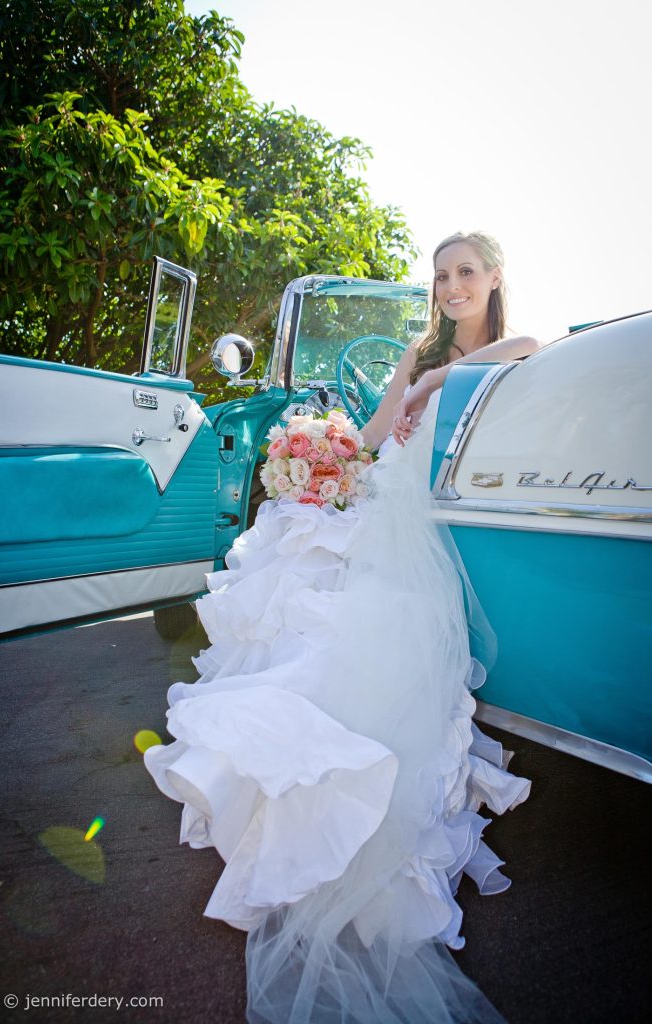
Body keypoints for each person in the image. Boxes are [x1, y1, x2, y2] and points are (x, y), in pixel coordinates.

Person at [145, 231, 538, 1023]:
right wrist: (315, 459)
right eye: (440, 276)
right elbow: (369, 438)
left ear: (494, 277)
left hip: (441, 505)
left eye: (465, 272)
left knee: (377, 629)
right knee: (309, 591)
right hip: (391, 498)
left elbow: (527, 346)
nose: (451, 286)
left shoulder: (513, 345)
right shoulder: (415, 351)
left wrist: (439, 383)